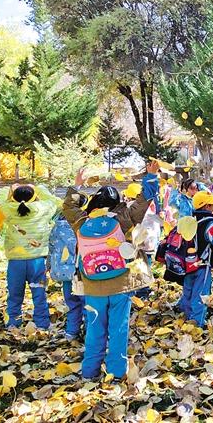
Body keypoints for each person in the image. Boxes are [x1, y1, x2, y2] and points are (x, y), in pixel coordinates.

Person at [61, 162, 159, 380]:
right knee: (118, 330)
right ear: (117, 204)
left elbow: (68, 206)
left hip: (92, 286)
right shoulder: (124, 219)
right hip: (120, 284)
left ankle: (90, 372)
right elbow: (144, 201)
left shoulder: (81, 221)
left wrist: (77, 186)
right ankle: (115, 372)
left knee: (94, 330)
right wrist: (151, 176)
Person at [0, 183, 60, 330]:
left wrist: (8, 189)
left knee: (14, 294)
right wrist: (40, 188)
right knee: (39, 294)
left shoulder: (6, 209)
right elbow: (55, 201)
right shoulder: (44, 208)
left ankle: (13, 322)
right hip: (37, 261)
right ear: (34, 196)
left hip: (15, 262)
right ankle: (42, 323)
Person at [175, 190, 213, 327]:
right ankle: (197, 321)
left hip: (188, 263)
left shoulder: (190, 219)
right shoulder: (210, 223)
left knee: (188, 289)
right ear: (207, 206)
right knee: (201, 293)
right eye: (212, 204)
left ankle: (186, 313)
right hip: (203, 263)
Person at [48, 192, 88, 341]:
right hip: (80, 272)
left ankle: (71, 332)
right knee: (87, 304)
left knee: (72, 303)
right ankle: (89, 332)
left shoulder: (57, 226)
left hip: (64, 272)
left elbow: (51, 247)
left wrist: (49, 265)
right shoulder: (82, 225)